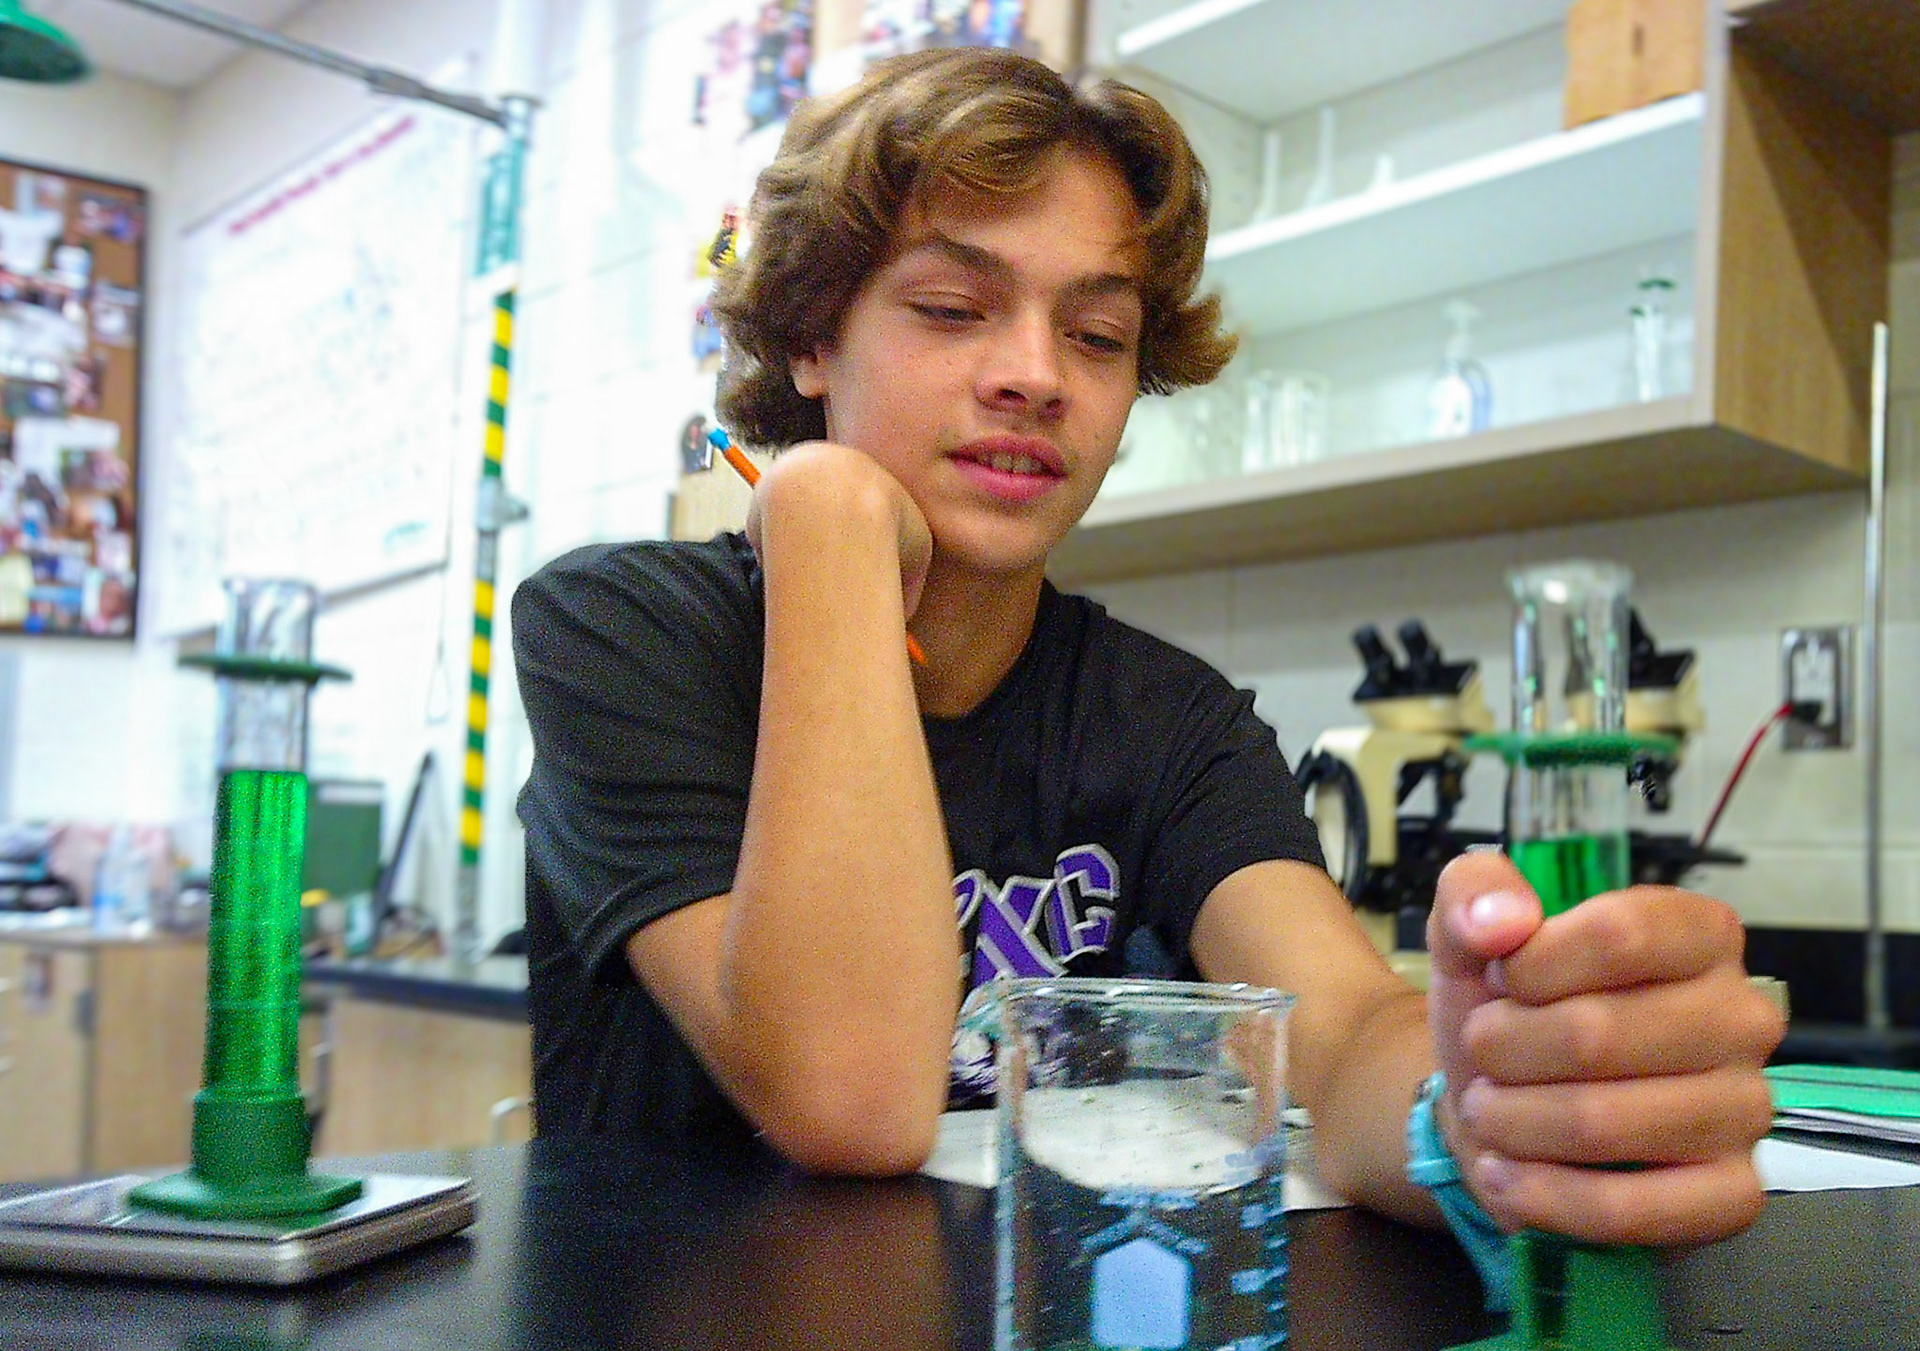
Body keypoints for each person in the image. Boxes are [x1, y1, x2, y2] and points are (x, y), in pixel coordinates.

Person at [512, 47, 1781, 1272]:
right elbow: (852, 1097)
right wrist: (826, 510)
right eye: (953, 309)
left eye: (1099, 336)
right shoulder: (621, 630)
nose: (1033, 377)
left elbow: (1342, 1034)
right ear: (809, 338)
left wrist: (1486, 1107)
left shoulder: (1172, 719)